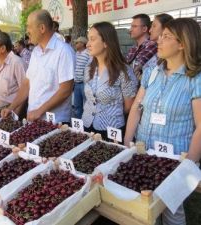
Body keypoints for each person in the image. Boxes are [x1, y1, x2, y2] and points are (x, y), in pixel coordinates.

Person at [124, 18, 201, 225]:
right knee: (145, 210)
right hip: (144, 154)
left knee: (171, 212)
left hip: (174, 161)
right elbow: (136, 110)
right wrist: (127, 144)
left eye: (166, 37)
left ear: (183, 43)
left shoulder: (195, 78)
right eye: (161, 35)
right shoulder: (151, 73)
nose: (159, 40)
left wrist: (189, 165)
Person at [1, 9, 75, 123]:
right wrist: (11, 107)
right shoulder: (36, 52)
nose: (27, 31)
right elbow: (27, 83)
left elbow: (65, 90)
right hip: (33, 119)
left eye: (29, 27)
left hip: (56, 122)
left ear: (42, 28)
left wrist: (40, 111)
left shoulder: (64, 51)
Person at [82, 22, 137, 141]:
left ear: (106, 42)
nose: (87, 44)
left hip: (111, 130)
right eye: (88, 39)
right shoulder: (88, 68)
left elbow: (129, 106)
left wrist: (111, 112)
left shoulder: (123, 71)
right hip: (87, 125)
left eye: (92, 39)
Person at [0, 32, 26, 109]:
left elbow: (24, 91)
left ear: (3, 48)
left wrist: (15, 115)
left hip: (11, 111)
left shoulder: (17, 63)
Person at [126, 14, 157, 80]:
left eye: (134, 26)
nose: (130, 30)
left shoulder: (152, 45)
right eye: (131, 26)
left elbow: (134, 69)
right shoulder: (133, 48)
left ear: (144, 29)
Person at [73, 36, 91, 119]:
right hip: (76, 83)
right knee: (77, 105)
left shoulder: (88, 53)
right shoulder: (76, 53)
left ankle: (86, 123)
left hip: (85, 83)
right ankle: (79, 124)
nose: (75, 44)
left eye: (77, 43)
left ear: (83, 44)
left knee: (87, 105)